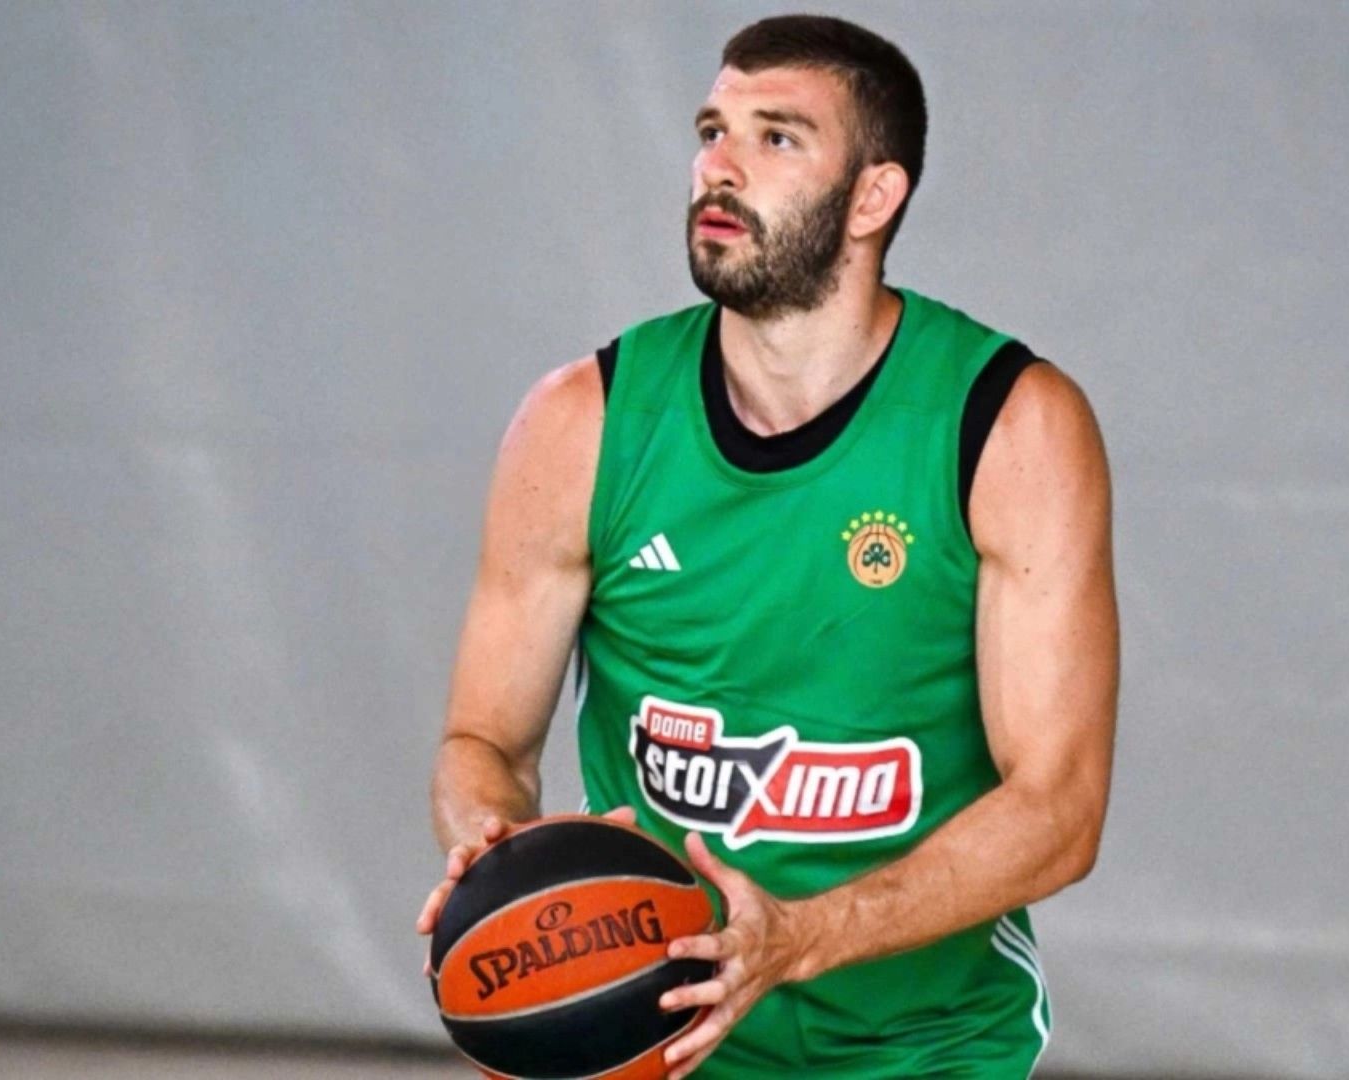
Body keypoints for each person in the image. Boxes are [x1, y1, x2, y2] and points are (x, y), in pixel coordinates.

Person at [417, 14, 1118, 1078]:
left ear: (874, 198)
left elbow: (1058, 811)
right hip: (659, 1032)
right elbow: (484, 741)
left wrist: (798, 938)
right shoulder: (582, 424)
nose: (720, 166)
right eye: (712, 131)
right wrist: (492, 844)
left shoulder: (1010, 427)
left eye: (776, 137)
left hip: (923, 1046)